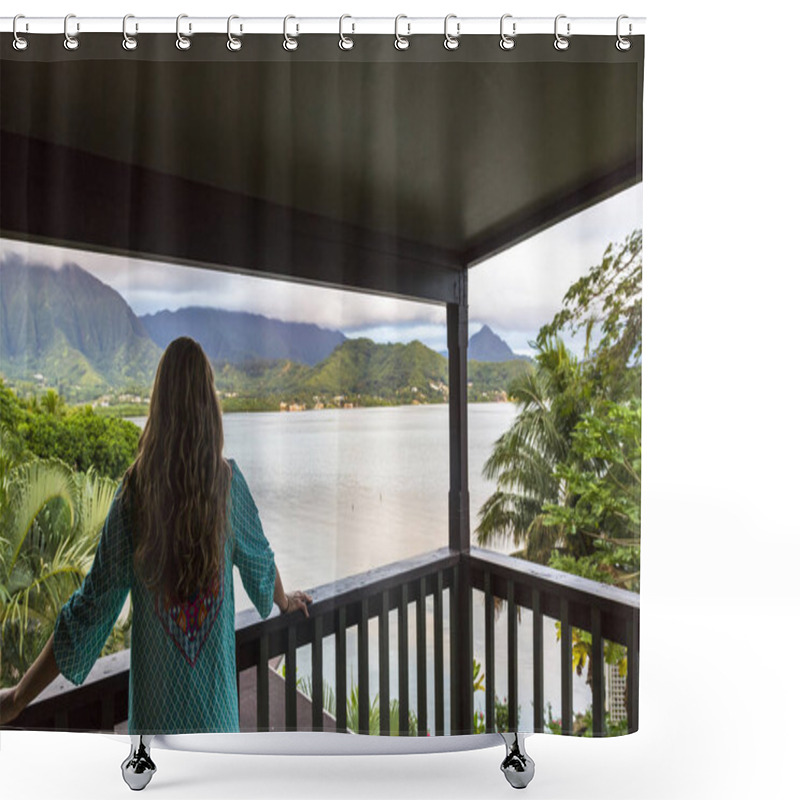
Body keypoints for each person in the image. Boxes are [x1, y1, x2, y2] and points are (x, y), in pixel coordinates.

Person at [0, 337, 312, 736]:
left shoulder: (135, 495)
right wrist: (286, 601)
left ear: (158, 404)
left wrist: (17, 697)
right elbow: (260, 565)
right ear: (208, 403)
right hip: (216, 723)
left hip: (154, 730)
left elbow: (89, 610)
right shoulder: (227, 486)